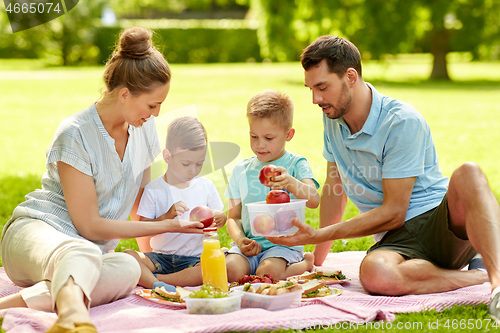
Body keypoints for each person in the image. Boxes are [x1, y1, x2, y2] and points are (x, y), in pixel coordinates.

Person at [266, 35, 500, 321]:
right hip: (397, 242)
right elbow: (335, 190)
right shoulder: (332, 119)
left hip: (440, 224)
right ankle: (477, 276)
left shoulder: (401, 121)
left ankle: (497, 281)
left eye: (322, 87)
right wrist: (318, 260)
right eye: (311, 89)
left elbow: (394, 213)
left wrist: (318, 234)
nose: (316, 99)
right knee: (374, 273)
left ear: (350, 76)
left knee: (469, 172)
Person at [0, 27, 204, 333]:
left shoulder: (143, 128)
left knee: (126, 266)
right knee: (81, 250)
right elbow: (90, 226)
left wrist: (158, 238)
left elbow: (140, 206)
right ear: (124, 94)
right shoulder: (75, 133)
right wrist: (169, 226)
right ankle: (71, 317)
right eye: (152, 105)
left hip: (89, 255)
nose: (157, 114)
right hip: (35, 235)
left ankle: (7, 308)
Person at [224, 89, 320, 282]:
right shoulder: (240, 169)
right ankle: (251, 264)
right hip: (250, 247)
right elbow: (233, 218)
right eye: (253, 136)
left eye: (268, 138)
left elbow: (314, 200)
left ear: (288, 134)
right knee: (229, 271)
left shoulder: (296, 164)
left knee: (268, 274)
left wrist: (291, 183)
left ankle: (305, 263)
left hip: (283, 247)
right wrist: (240, 240)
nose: (260, 145)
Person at [124, 116, 227, 289]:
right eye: (186, 163)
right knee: (128, 256)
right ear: (167, 156)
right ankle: (160, 278)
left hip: (194, 259)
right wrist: (166, 217)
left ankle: (156, 281)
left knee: (215, 264)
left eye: (199, 164)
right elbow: (143, 226)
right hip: (159, 257)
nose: (192, 170)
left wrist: (219, 216)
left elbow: (221, 216)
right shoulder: (154, 189)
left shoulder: (206, 186)